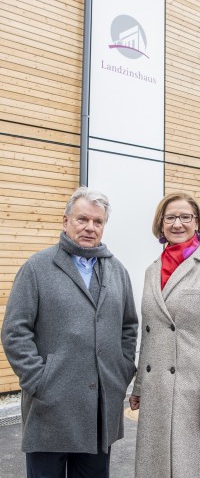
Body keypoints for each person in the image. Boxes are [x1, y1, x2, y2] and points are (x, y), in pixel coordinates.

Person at [1, 187, 138, 478]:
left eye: (97, 222)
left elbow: (129, 327)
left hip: (100, 411)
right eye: (82, 219)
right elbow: (15, 332)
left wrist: (121, 371)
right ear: (66, 222)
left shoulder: (117, 271)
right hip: (50, 409)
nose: (90, 227)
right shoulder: (37, 268)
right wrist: (39, 381)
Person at [129, 192, 200, 478]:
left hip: (197, 393)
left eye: (185, 217)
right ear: (160, 224)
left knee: (196, 469)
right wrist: (139, 385)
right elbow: (150, 334)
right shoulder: (152, 271)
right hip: (157, 393)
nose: (178, 224)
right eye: (170, 218)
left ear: (197, 222)